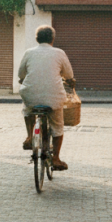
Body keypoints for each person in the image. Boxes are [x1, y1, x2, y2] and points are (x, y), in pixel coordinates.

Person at [18, 25, 74, 171]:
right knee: (57, 126)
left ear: (37, 39)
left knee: (27, 109)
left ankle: (30, 137)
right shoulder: (59, 53)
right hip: (54, 97)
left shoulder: (29, 53)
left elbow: (20, 74)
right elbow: (69, 75)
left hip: (31, 95)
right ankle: (55, 159)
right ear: (52, 39)